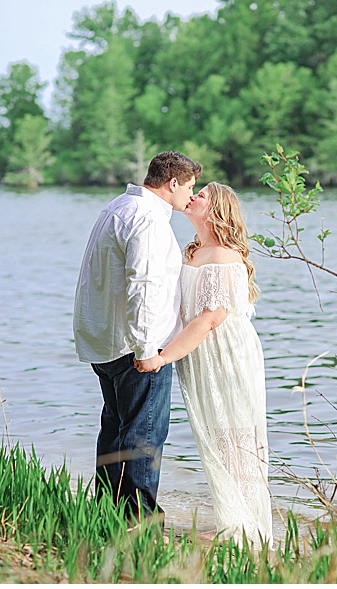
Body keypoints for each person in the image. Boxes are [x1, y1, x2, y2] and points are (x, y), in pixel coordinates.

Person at [135, 182, 273, 547]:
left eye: (203, 194)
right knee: (213, 434)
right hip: (199, 353)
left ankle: (245, 528)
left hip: (226, 354)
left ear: (217, 210)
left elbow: (209, 319)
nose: (193, 197)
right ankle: (232, 519)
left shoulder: (225, 257)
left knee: (233, 437)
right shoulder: (194, 249)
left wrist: (164, 357)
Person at [73, 151, 201, 523]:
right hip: (137, 347)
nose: (191, 196)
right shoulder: (147, 219)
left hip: (105, 340)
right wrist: (148, 349)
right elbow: (142, 287)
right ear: (172, 183)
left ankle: (105, 512)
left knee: (115, 429)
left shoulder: (118, 206)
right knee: (145, 434)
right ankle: (138, 521)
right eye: (189, 187)